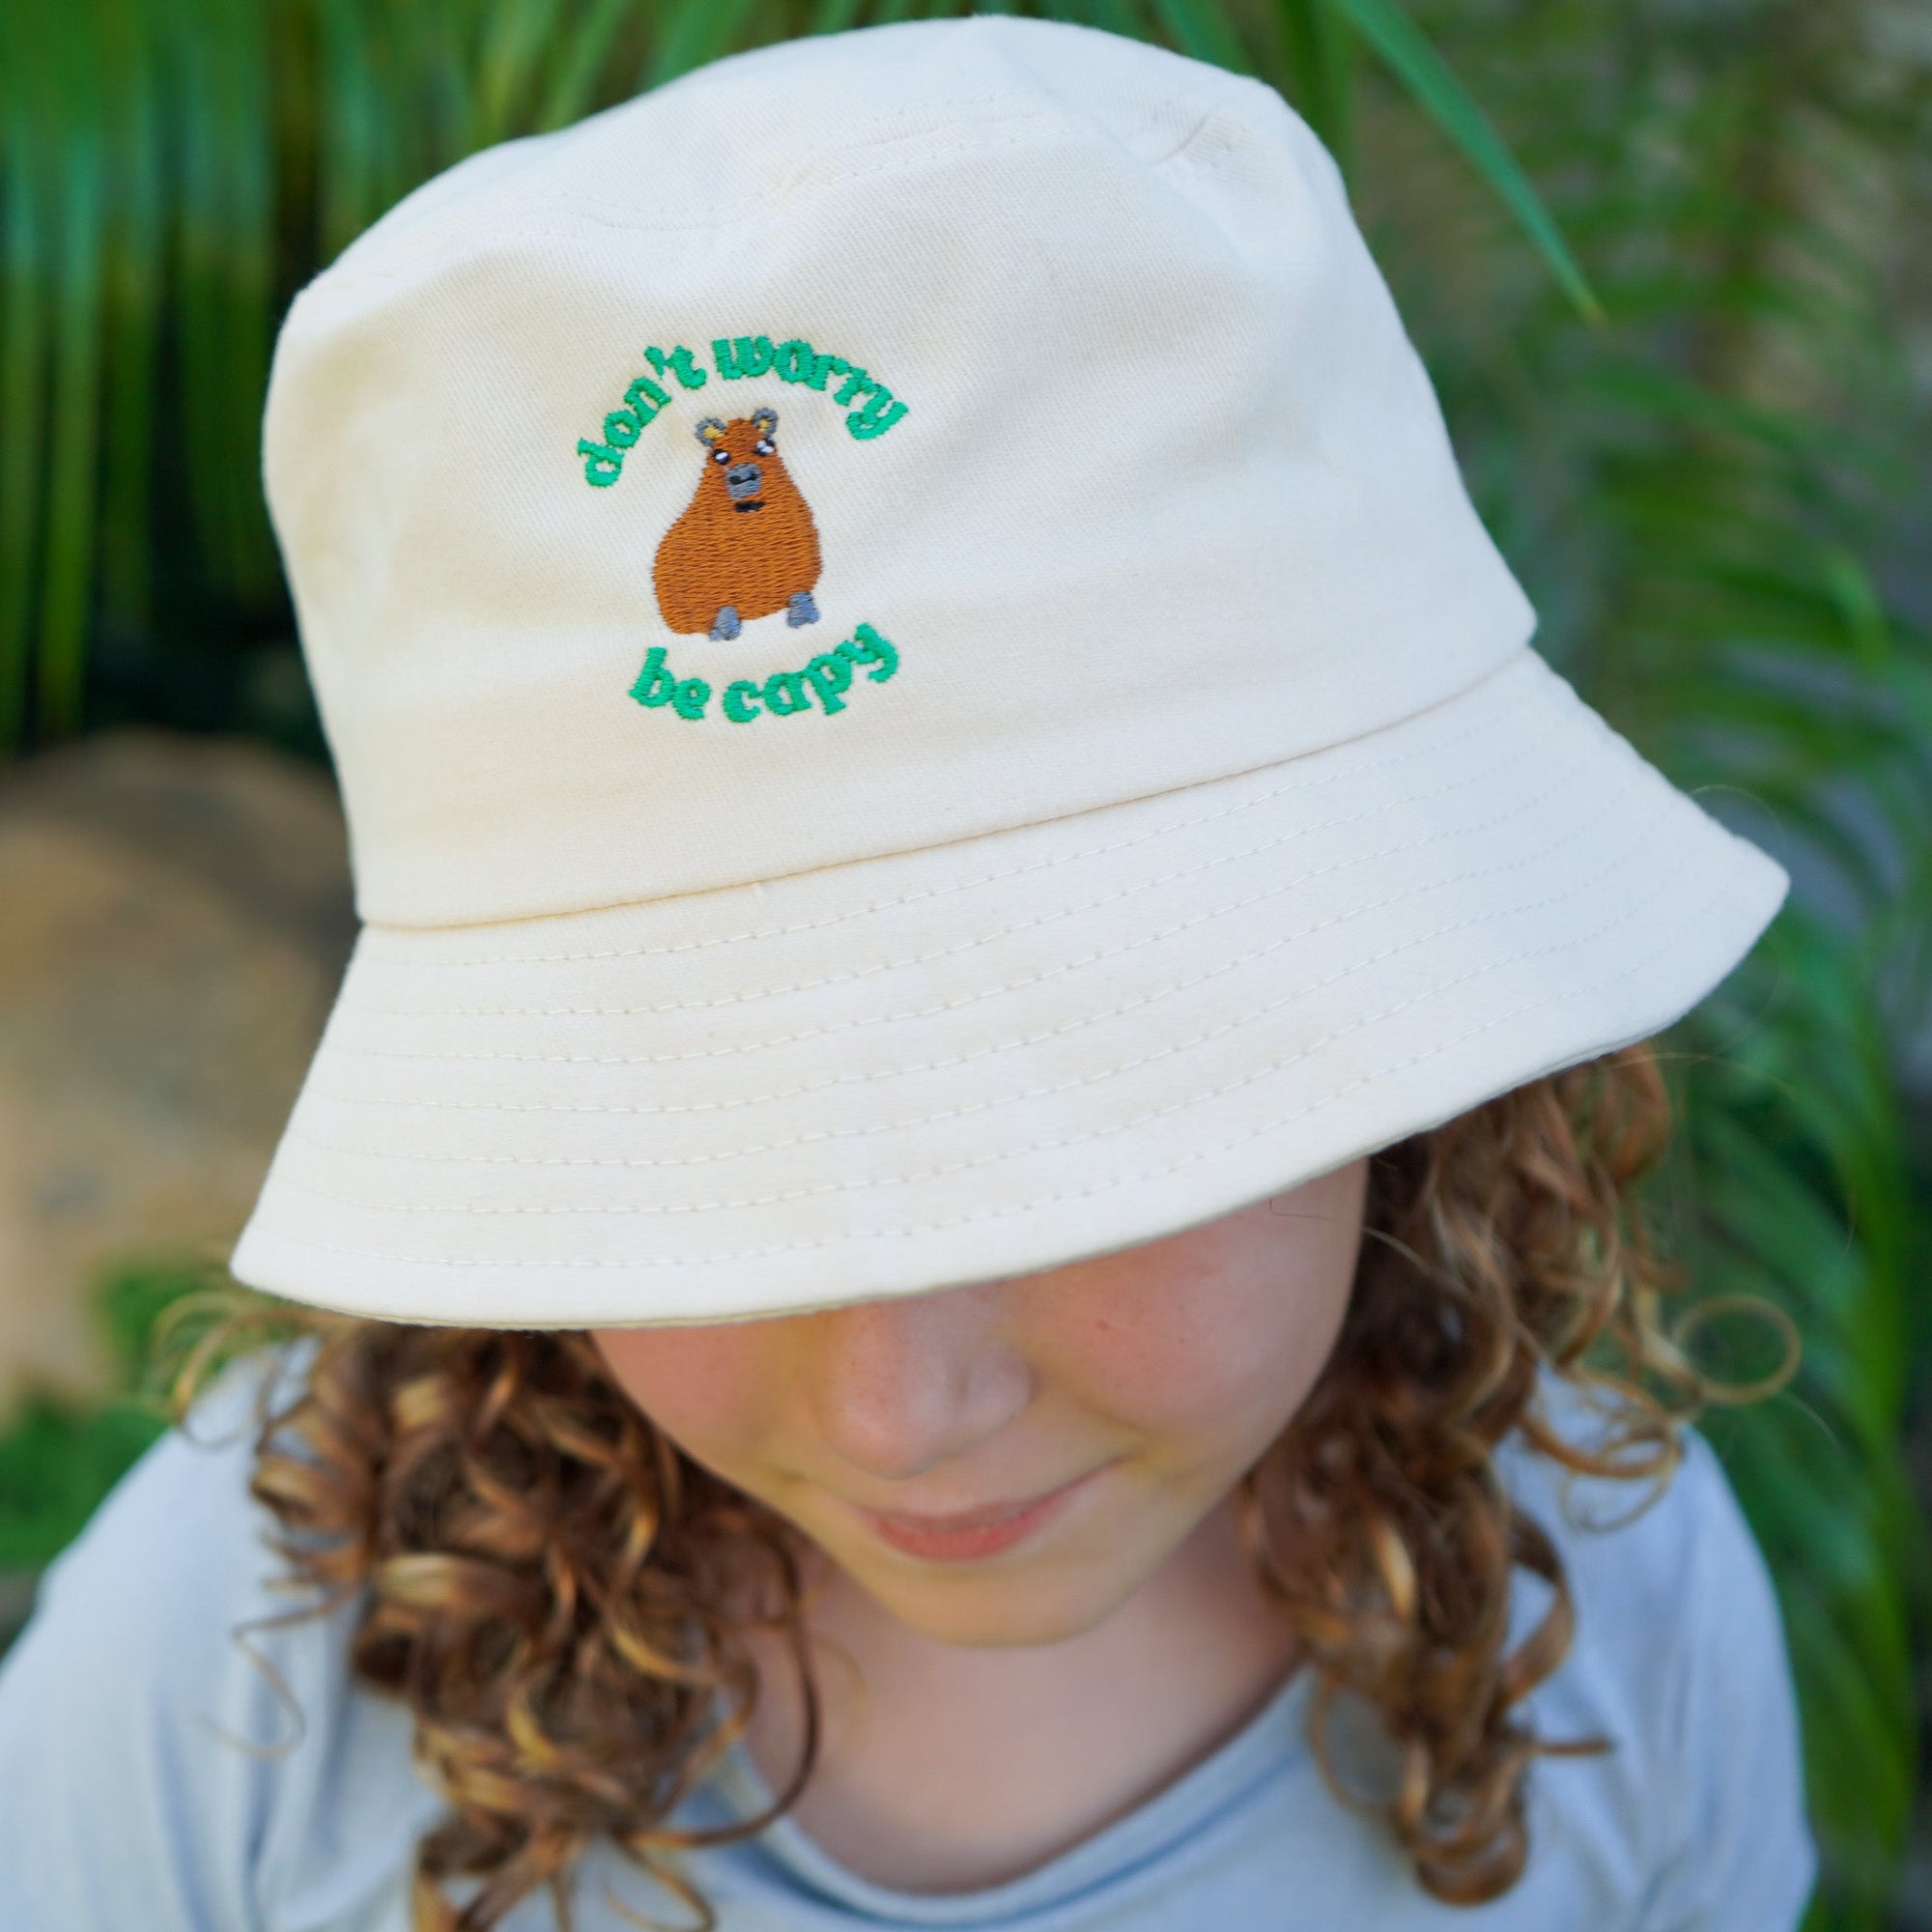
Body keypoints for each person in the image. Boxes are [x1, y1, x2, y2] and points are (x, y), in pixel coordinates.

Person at [0, 15, 1813, 1932]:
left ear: (1408, 1042)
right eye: (694, 1154)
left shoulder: (1606, 1617)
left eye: (1081, 1129)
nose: (895, 1409)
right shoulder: (239, 1660)